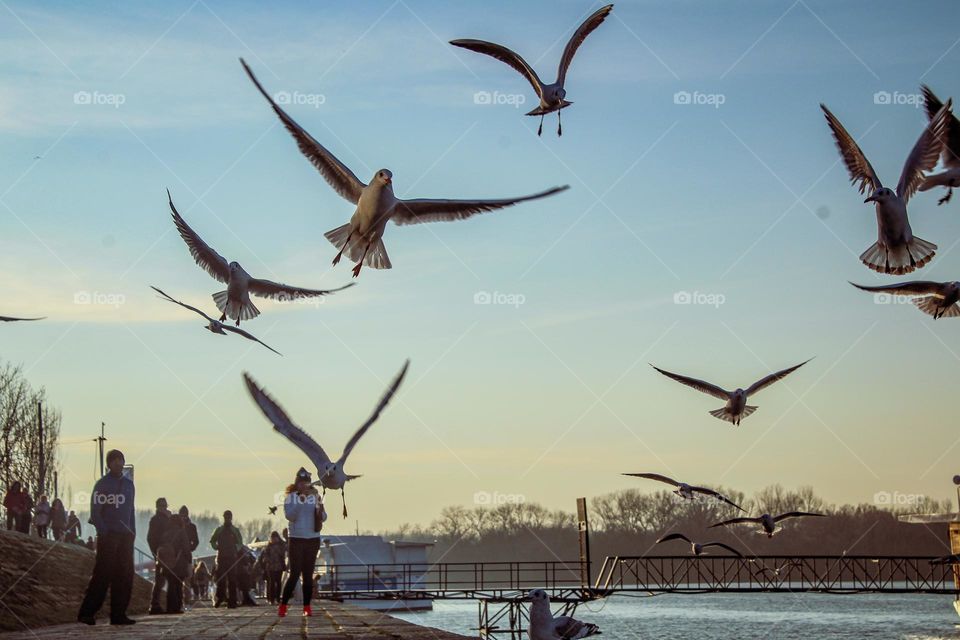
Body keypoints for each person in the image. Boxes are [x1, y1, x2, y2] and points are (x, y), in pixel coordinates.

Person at [77, 449, 136, 626]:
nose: (118, 463)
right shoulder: (102, 485)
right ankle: (87, 613)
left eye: (120, 460)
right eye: (114, 460)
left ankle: (118, 614)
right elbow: (95, 512)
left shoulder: (129, 485)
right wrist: (103, 531)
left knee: (124, 575)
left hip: (125, 536)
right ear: (109, 464)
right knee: (103, 574)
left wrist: (132, 531)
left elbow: (131, 509)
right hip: (109, 535)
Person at [278, 468, 326, 618]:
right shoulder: (290, 498)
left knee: (308, 574)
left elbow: (324, 517)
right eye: (301, 483)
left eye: (306, 483)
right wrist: (301, 500)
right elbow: (290, 516)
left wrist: (319, 507)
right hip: (296, 539)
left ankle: (307, 607)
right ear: (297, 484)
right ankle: (283, 605)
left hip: (313, 539)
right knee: (294, 574)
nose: (304, 486)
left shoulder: (315, 496)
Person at [210, 510, 244, 609]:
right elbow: (212, 540)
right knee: (220, 579)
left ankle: (232, 601)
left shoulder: (235, 530)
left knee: (232, 579)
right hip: (221, 557)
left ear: (231, 518)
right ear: (224, 517)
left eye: (229, 517)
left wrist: (235, 549)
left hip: (232, 558)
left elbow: (240, 542)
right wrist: (216, 547)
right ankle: (220, 598)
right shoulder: (219, 530)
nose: (227, 518)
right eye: (226, 517)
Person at [159, 514, 191, 615]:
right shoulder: (182, 532)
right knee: (178, 585)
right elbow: (186, 548)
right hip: (179, 562)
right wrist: (189, 560)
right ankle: (177, 607)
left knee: (170, 585)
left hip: (167, 563)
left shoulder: (165, 534)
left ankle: (170, 607)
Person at [147, 497, 171, 614]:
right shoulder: (155, 520)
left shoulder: (168, 519)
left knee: (167, 580)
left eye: (165, 506)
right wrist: (156, 553)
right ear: (157, 507)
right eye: (162, 506)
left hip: (169, 553)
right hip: (161, 553)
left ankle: (167, 604)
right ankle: (154, 605)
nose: (164, 508)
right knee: (160, 580)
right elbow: (150, 538)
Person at [261, 531, 287, 604]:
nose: (274, 539)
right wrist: (268, 560)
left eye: (275, 538)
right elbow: (265, 557)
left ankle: (278, 598)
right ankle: (271, 599)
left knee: (278, 582)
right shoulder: (268, 547)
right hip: (270, 567)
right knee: (271, 582)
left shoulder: (281, 546)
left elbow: (284, 552)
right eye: (272, 538)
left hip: (279, 567)